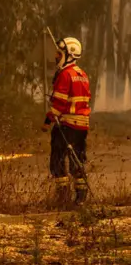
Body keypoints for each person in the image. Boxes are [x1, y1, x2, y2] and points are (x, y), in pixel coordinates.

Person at [42, 36, 90, 205]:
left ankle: (62, 197)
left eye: (59, 53)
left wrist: (47, 121)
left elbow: (59, 104)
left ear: (69, 55)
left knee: (58, 159)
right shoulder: (82, 75)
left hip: (67, 125)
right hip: (82, 125)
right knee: (78, 159)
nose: (56, 56)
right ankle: (81, 198)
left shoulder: (65, 75)